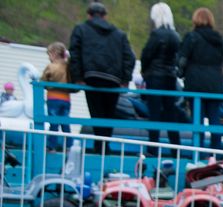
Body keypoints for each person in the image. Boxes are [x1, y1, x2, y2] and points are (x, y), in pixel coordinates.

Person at [68, 2, 135, 153]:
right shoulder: (119, 34)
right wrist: (125, 80)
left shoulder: (81, 29)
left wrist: (78, 78)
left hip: (91, 77)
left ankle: (99, 146)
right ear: (105, 16)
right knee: (109, 114)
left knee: (96, 113)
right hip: (113, 79)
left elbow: (75, 54)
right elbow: (129, 57)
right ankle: (105, 146)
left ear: (89, 15)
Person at [177, 7, 223, 150]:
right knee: (215, 120)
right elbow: (221, 61)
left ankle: (198, 152)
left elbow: (182, 60)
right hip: (215, 84)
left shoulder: (191, 37)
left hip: (195, 84)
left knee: (198, 122)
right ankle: (216, 152)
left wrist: (180, 73)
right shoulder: (218, 39)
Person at [140, 2, 182, 152]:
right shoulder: (176, 36)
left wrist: (144, 71)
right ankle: (175, 147)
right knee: (171, 112)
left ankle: (153, 148)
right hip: (170, 77)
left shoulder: (156, 34)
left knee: (154, 113)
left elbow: (146, 55)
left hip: (155, 77)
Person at [40, 42, 72, 151]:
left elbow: (43, 81)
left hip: (53, 98)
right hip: (66, 99)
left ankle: (51, 146)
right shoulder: (68, 66)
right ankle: (69, 145)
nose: (49, 58)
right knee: (65, 122)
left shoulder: (51, 66)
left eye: (49, 55)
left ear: (54, 54)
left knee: (53, 123)